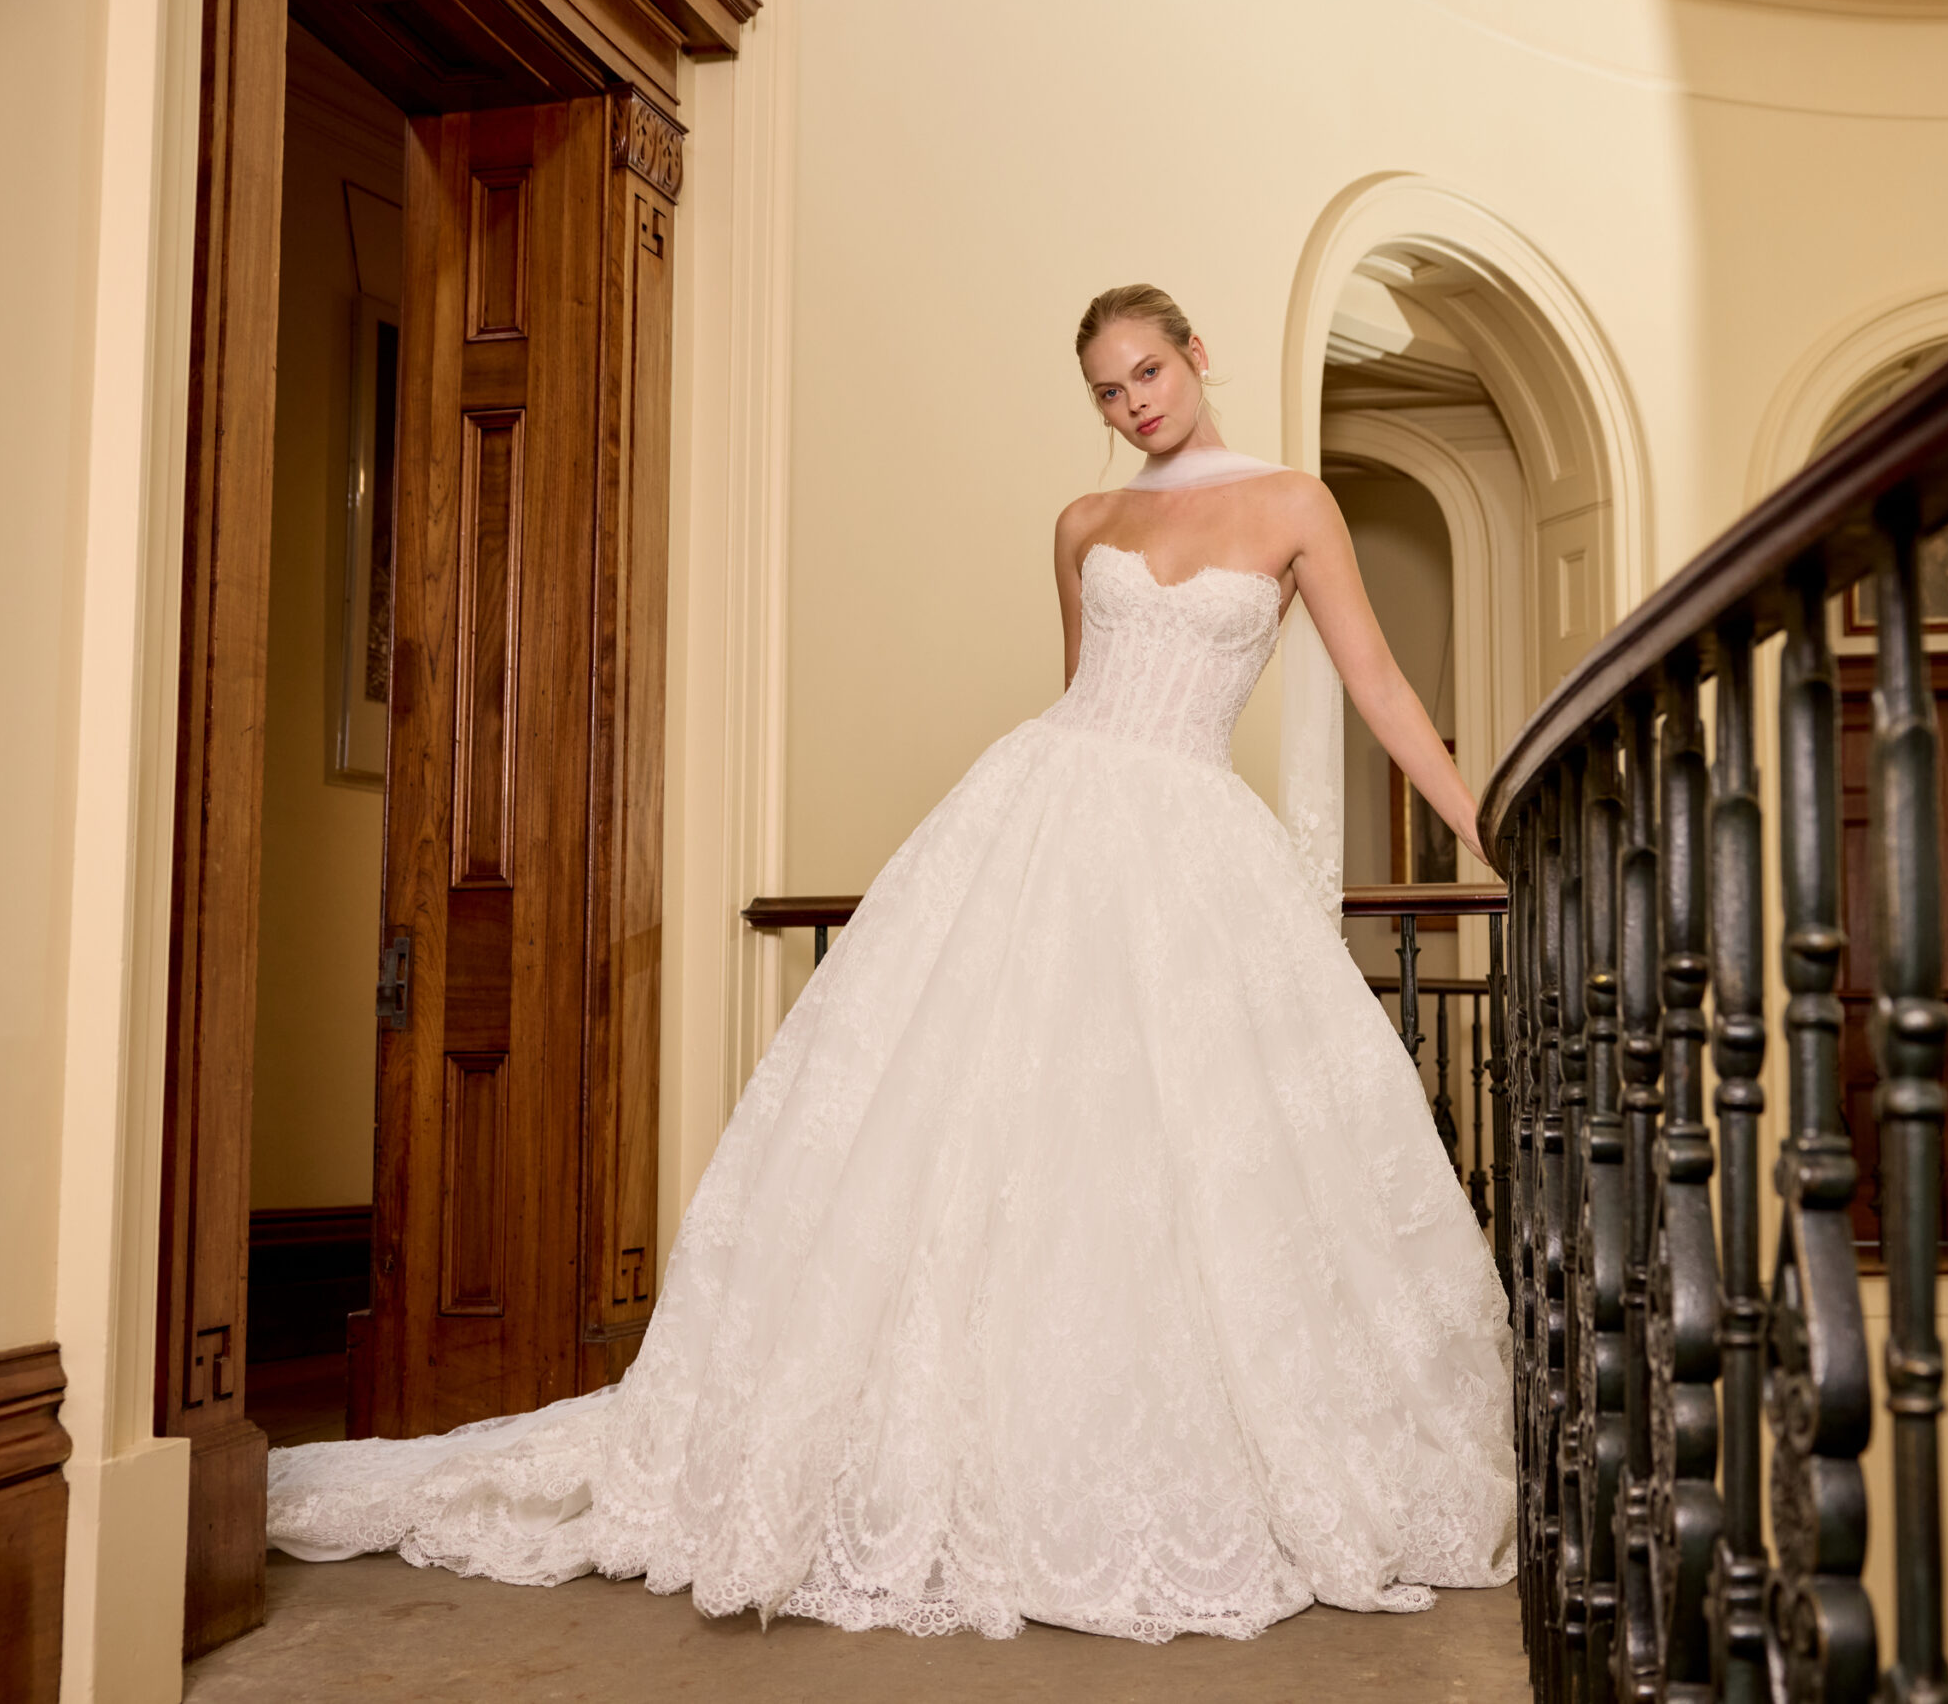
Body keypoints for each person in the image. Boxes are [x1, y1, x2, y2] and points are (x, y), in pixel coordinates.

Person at [264, 284, 1516, 1644]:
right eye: (1107, 390)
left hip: (1191, 839)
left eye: (1149, 371)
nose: (1134, 402)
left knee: (1163, 1147)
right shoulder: (1084, 524)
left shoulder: (1293, 508)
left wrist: (1482, 831)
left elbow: (1381, 684)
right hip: (1040, 820)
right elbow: (1078, 687)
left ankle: (1121, 1441)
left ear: (1196, 355)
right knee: (980, 1134)